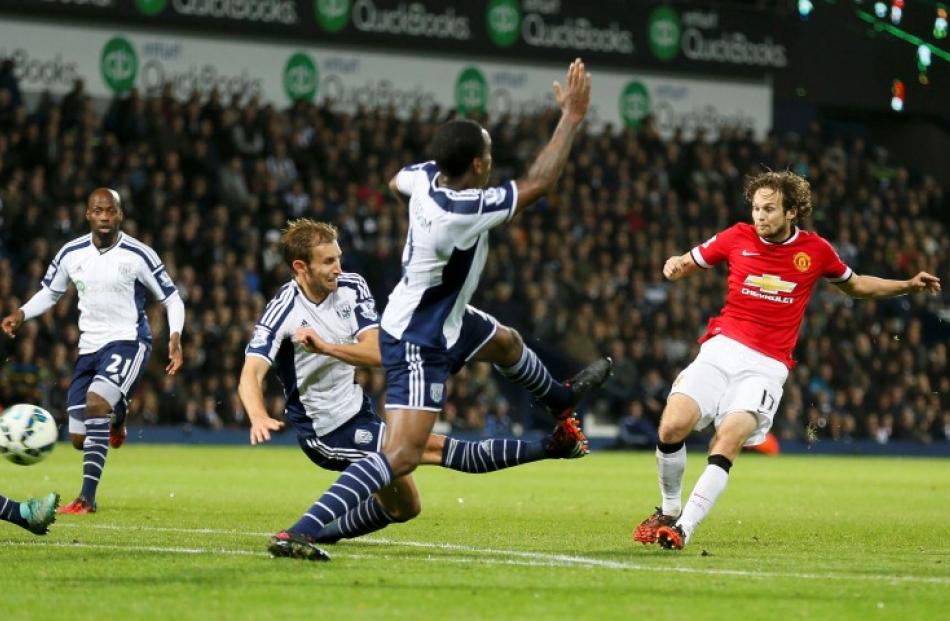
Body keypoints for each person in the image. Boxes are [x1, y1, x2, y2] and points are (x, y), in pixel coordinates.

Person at [264, 58, 612, 560]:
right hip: (418, 337)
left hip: (446, 316)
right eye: (488, 153)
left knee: (508, 342)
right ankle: (300, 530)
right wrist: (571, 118)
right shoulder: (461, 210)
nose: (492, 159)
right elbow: (540, 184)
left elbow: (395, 180)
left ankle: (559, 399)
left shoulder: (425, 179)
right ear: (477, 165)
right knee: (403, 453)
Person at [239, 220, 589, 560]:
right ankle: (549, 446)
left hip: (359, 413)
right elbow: (250, 374)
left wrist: (327, 347)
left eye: (339, 257)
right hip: (325, 430)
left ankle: (321, 534)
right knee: (433, 448)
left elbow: (376, 351)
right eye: (328, 261)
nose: (338, 268)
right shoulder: (282, 312)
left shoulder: (351, 286)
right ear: (300, 267)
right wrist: (257, 416)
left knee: (406, 507)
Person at [632, 170, 941, 550]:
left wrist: (907, 285)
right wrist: (675, 264)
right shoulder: (736, 236)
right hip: (721, 348)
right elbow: (689, 260)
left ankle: (683, 529)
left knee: (727, 439)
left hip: (766, 365)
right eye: (756, 208)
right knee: (671, 427)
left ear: (792, 211)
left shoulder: (816, 251)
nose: (760, 216)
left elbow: (857, 285)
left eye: (769, 209)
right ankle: (668, 509)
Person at [1, 188, 185, 514]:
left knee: (97, 404)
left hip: (129, 340)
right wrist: (21, 314)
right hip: (88, 348)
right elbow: (50, 292)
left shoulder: (138, 254)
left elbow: (171, 298)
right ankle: (120, 415)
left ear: (120, 215)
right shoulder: (72, 253)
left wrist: (175, 336)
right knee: (78, 439)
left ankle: (87, 499)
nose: (104, 217)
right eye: (98, 211)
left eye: (110, 211)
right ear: (88, 214)